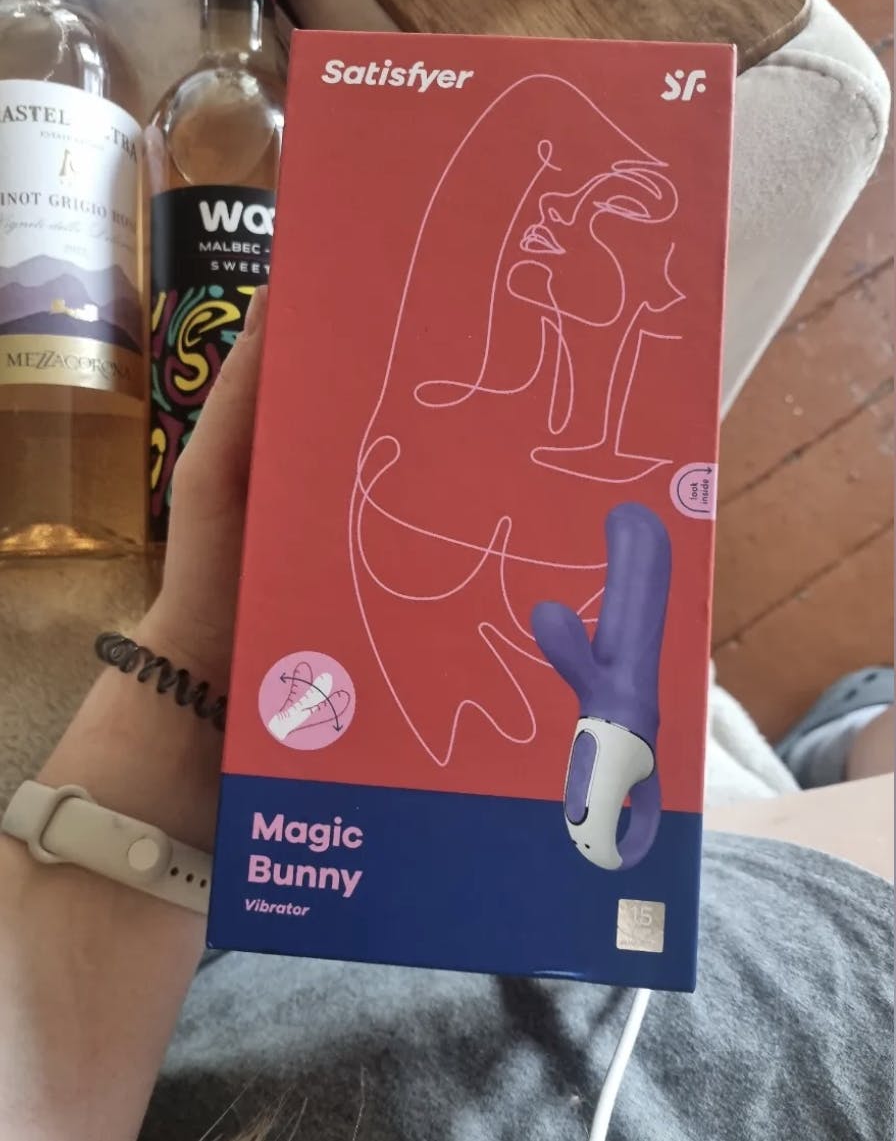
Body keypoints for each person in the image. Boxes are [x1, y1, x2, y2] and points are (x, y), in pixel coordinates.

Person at [0, 291, 891, 1141]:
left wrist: (196, 652)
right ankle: (848, 739)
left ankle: (842, 744)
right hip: (794, 948)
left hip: (256, 950)